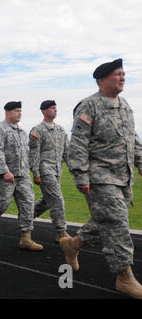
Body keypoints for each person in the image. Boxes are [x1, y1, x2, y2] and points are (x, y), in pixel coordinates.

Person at [60, 58, 142, 298]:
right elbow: (78, 144)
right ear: (102, 79)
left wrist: (140, 161)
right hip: (100, 176)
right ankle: (124, 276)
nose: (123, 77)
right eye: (118, 73)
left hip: (122, 177)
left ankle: (73, 244)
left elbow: (132, 139)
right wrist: (81, 175)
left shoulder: (125, 105)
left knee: (105, 218)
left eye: (124, 73)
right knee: (117, 223)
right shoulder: (89, 106)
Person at [0, 101, 44, 251]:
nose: (19, 113)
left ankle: (26, 238)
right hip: (5, 176)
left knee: (27, 204)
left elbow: (25, 154)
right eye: (16, 111)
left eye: (20, 111)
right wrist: (4, 171)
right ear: (8, 112)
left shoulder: (22, 132)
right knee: (1, 205)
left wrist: (30, 172)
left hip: (22, 176)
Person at [29, 100, 70, 242]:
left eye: (56, 108)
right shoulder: (37, 131)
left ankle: (26, 218)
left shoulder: (61, 130)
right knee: (57, 199)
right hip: (45, 170)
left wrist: (75, 170)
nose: (55, 110)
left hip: (58, 170)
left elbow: (67, 152)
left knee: (47, 201)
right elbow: (34, 154)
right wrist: (36, 173)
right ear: (43, 111)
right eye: (52, 108)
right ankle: (61, 232)